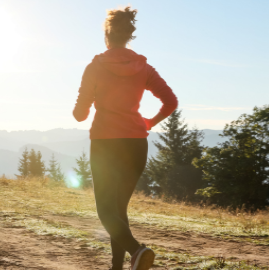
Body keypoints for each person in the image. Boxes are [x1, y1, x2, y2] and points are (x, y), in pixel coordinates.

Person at [72, 5, 178, 270]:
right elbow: (171, 101)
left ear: (107, 36)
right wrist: (149, 122)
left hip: (106, 143)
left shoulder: (95, 66)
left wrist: (88, 101)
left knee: (106, 211)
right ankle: (117, 267)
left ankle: (138, 251)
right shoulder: (143, 67)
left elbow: (79, 115)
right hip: (136, 143)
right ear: (128, 35)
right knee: (118, 211)